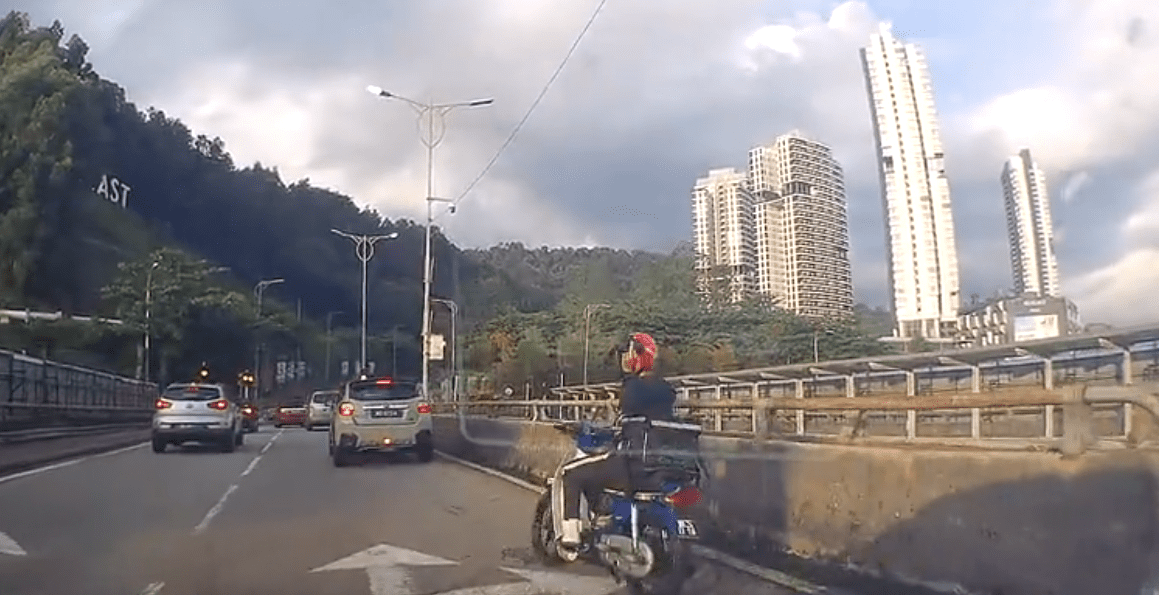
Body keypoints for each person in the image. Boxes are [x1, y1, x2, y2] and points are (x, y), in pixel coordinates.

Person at [553, 332, 677, 549]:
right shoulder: (667, 389)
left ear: (635, 356)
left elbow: (627, 415)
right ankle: (604, 517)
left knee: (570, 473)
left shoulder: (633, 387)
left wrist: (628, 378)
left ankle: (570, 538)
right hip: (658, 464)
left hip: (630, 464)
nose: (623, 359)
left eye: (626, 354)